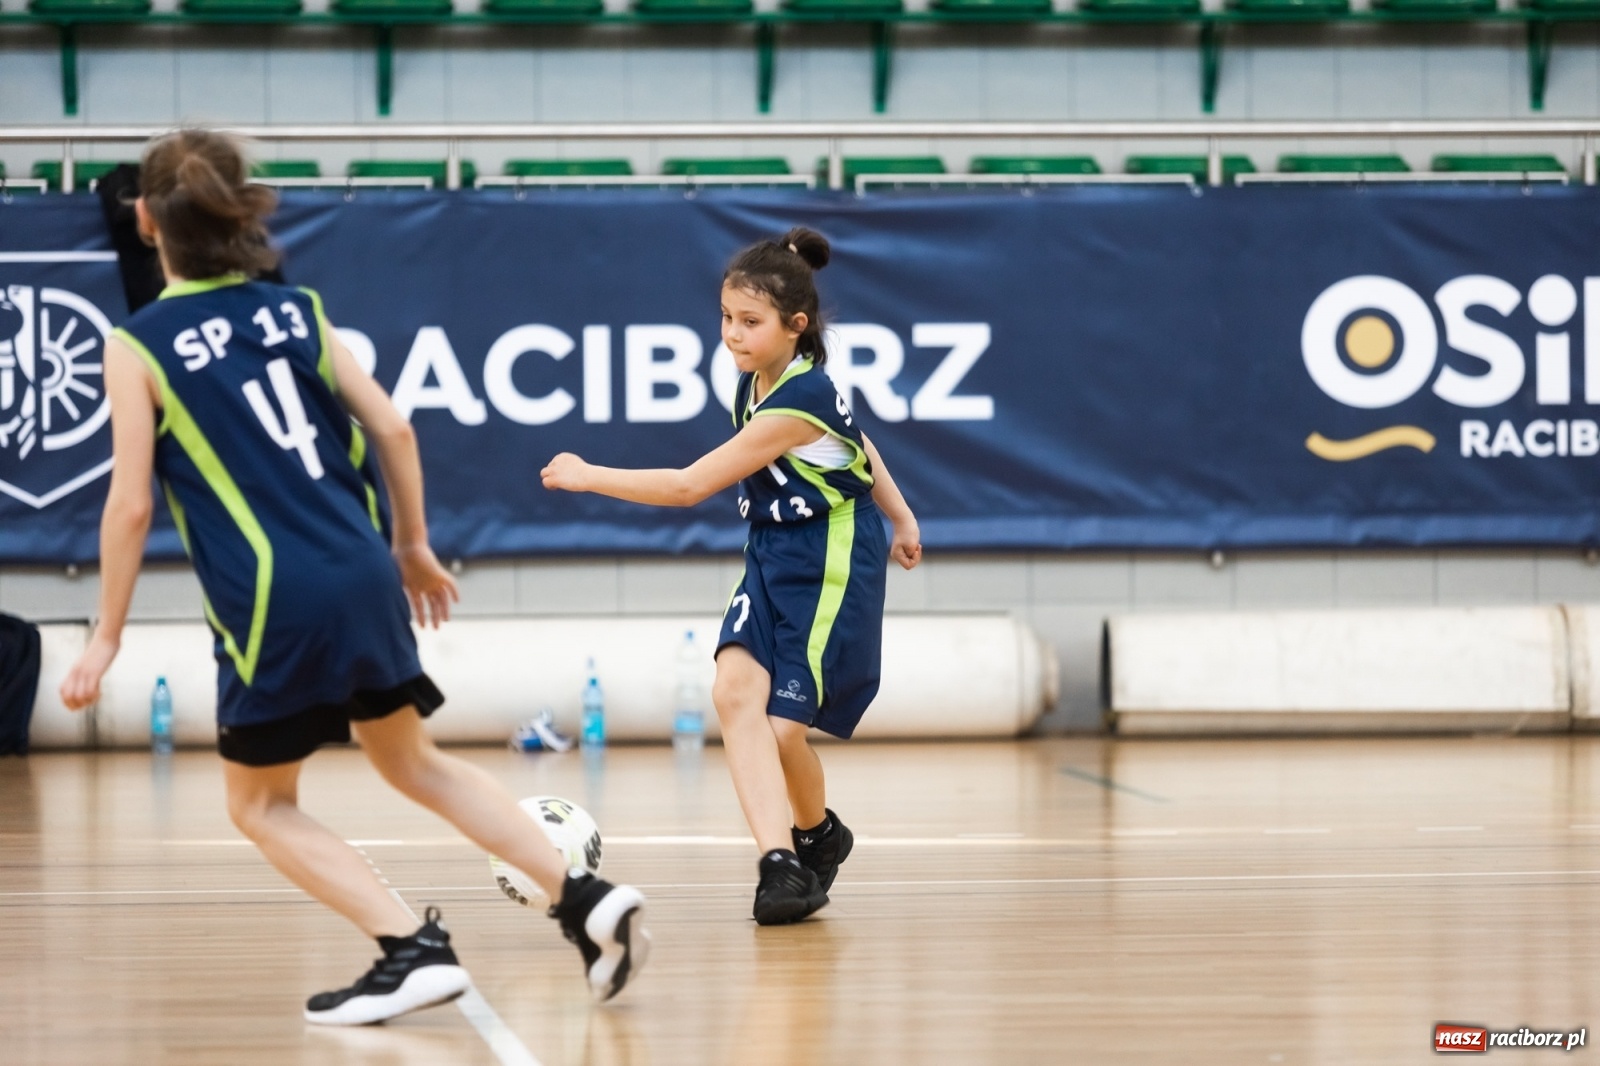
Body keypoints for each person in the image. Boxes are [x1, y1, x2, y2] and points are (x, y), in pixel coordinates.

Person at [58, 129, 649, 1025]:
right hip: (365, 569)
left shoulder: (136, 347)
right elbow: (396, 429)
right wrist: (413, 547)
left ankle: (409, 950)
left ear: (144, 221)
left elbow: (129, 507)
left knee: (259, 803)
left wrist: (104, 637)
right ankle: (583, 899)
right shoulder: (298, 311)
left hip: (273, 599)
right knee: (414, 762)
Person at [542, 227, 922, 924]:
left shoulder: (799, 400)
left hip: (830, 556)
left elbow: (688, 487)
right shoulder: (760, 381)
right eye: (726, 318)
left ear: (795, 327)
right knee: (733, 690)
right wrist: (905, 513)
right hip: (772, 549)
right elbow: (859, 440)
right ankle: (779, 863)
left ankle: (819, 836)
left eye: (751, 323)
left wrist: (588, 475)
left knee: (784, 730)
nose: (733, 335)